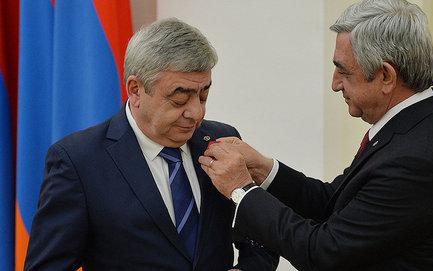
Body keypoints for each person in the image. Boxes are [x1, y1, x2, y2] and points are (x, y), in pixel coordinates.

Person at [199, 0, 433, 270]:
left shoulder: (416, 159)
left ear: (386, 76)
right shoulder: (410, 126)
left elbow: (323, 253)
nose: (334, 84)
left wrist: (241, 190)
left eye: (343, 71)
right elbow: (334, 202)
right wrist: (263, 169)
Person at [24, 18, 277, 271]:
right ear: (135, 90)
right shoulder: (78, 161)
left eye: (203, 95)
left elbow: (260, 237)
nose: (196, 112)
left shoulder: (221, 140)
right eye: (180, 98)